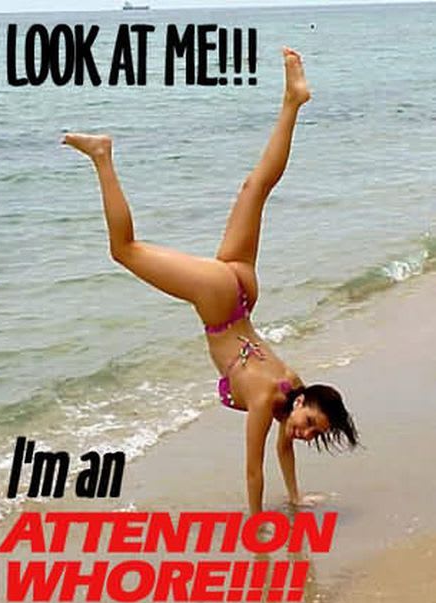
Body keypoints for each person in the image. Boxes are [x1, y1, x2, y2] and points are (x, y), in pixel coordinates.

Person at [63, 47, 359, 516]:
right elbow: (253, 469)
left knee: (255, 187)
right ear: (302, 400)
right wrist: (257, 523)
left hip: (241, 292)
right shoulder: (267, 398)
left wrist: (296, 497)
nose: (302, 433)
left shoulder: (291, 389)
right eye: (309, 422)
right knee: (124, 250)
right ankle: (102, 155)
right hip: (221, 302)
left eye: (311, 432)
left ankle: (293, 100)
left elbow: (282, 448)